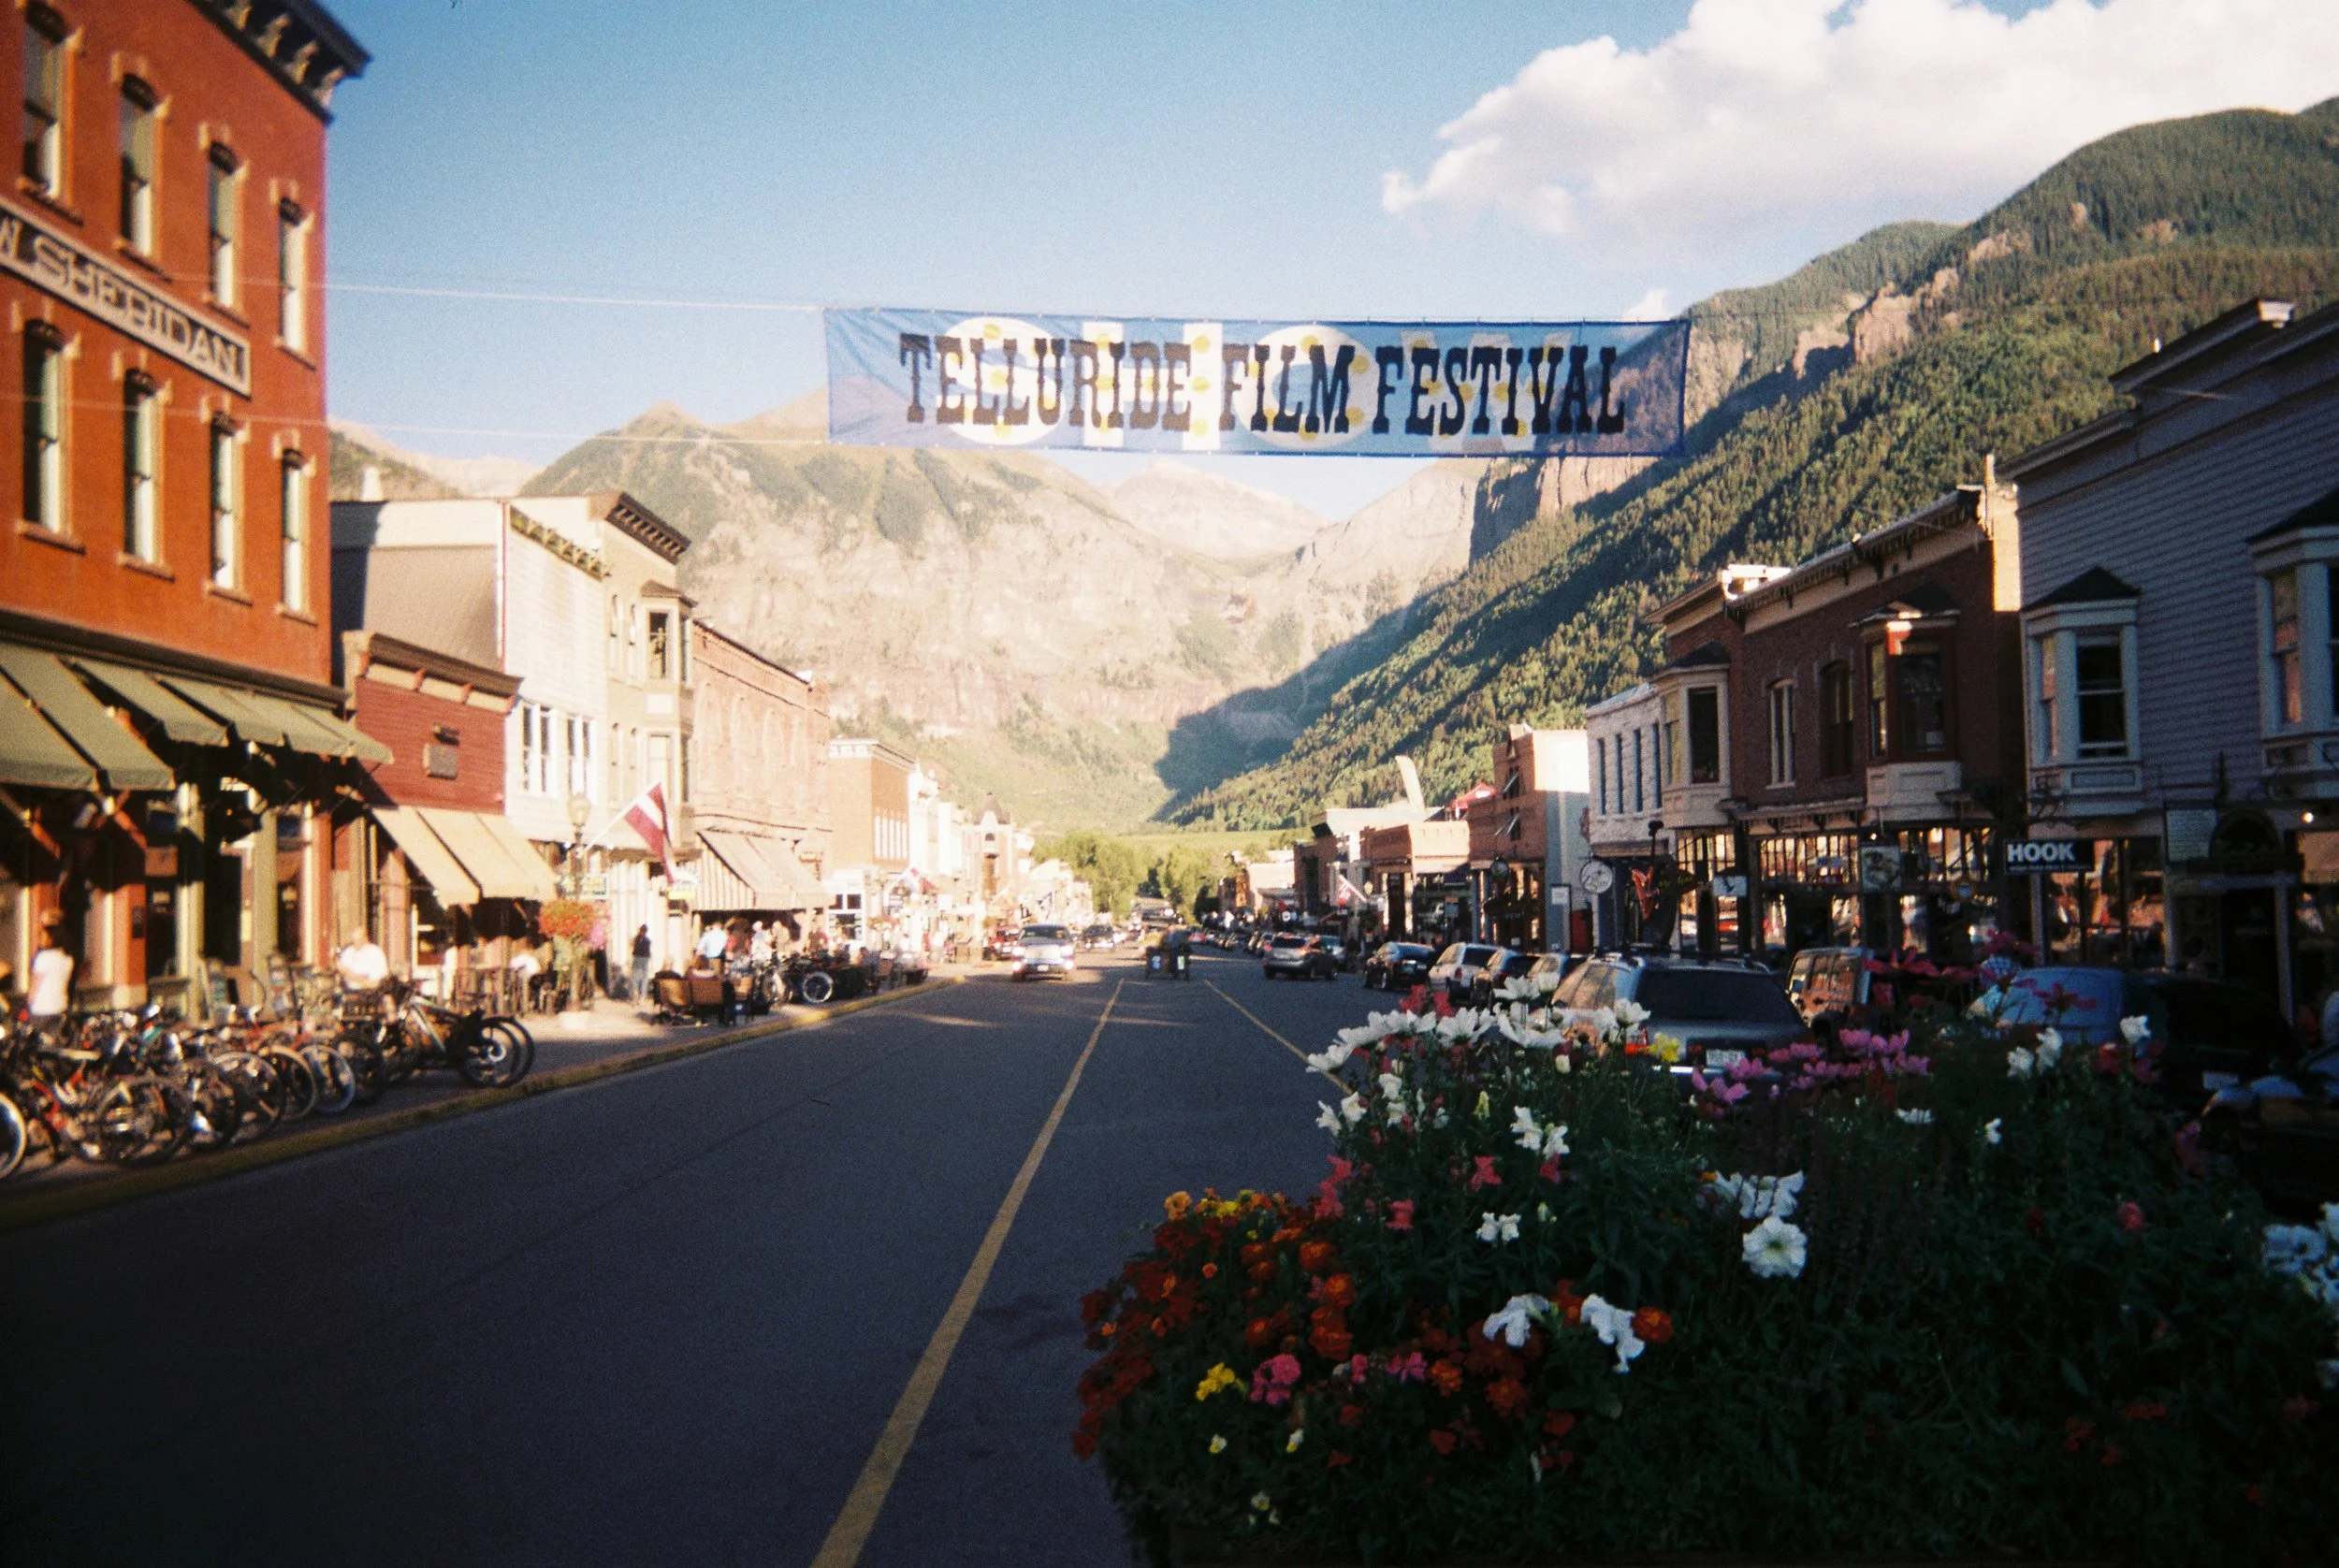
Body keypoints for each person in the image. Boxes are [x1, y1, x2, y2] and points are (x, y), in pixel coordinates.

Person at [27, 918, 74, 1019]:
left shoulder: (43, 957)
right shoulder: (67, 959)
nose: (40, 940)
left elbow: (35, 984)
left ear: (51, 939)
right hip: (60, 1006)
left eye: (43, 936)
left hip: (41, 1009)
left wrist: (28, 1004)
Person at [629, 924, 653, 1002]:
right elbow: (649, 953)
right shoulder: (647, 940)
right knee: (643, 979)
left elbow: (631, 945)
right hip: (644, 959)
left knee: (635, 977)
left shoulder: (636, 939)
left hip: (637, 958)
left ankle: (636, 993)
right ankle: (641, 996)